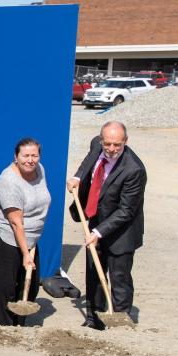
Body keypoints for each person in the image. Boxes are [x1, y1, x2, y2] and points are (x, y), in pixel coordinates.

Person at [68, 121, 146, 330]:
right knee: (94, 272)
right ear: (101, 139)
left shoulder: (134, 170)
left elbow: (126, 211)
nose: (111, 149)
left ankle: (120, 319)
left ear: (125, 142)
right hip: (95, 218)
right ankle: (95, 318)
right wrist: (77, 177)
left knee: (119, 277)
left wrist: (99, 232)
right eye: (108, 144)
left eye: (117, 145)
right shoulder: (97, 145)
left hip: (122, 231)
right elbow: (89, 160)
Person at [0, 137, 50, 326]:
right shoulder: (8, 183)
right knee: (6, 287)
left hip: (29, 236)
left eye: (34, 155)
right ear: (16, 157)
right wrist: (25, 254)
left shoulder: (39, 170)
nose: (30, 160)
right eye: (25, 156)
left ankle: (18, 324)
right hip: (4, 236)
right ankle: (5, 328)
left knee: (31, 285)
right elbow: (15, 223)